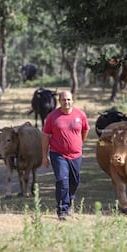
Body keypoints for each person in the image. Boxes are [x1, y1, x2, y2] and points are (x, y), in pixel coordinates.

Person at [42, 90, 89, 220]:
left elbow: (85, 131)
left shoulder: (80, 115)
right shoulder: (52, 117)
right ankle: (62, 209)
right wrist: (44, 156)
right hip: (58, 154)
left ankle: (69, 201)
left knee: (74, 182)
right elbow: (46, 137)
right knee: (62, 180)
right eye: (64, 100)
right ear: (59, 101)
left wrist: (78, 144)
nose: (67, 102)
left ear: (72, 100)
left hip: (76, 155)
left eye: (69, 99)